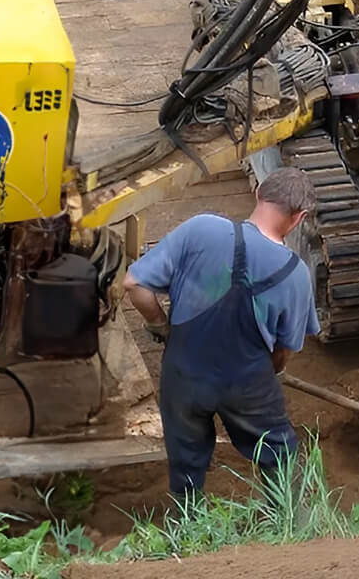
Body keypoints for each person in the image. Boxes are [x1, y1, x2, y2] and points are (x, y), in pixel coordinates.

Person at [122, 167, 320, 494]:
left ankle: (186, 530)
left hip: (183, 374)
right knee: (278, 453)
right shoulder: (294, 273)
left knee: (186, 463)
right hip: (246, 383)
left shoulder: (201, 229)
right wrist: (267, 373)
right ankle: (287, 529)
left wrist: (162, 327)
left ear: (259, 195)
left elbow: (134, 283)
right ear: (299, 218)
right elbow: (286, 350)